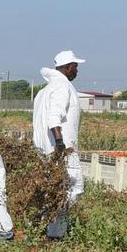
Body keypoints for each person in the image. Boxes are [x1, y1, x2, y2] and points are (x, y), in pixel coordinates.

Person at [32, 50, 84, 238]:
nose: (77, 71)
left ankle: (50, 229)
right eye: (75, 67)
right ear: (67, 67)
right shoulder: (62, 87)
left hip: (44, 150)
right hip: (60, 150)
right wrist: (60, 143)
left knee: (54, 189)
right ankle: (52, 227)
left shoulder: (44, 91)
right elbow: (55, 116)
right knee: (74, 188)